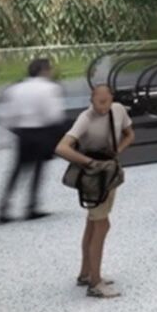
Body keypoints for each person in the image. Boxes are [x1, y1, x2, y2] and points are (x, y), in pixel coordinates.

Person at [54, 85, 134, 299]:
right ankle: (95, 283)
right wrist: (89, 162)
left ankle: (86, 274)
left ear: (111, 99)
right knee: (101, 224)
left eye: (106, 101)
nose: (102, 106)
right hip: (94, 178)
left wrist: (117, 151)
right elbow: (62, 147)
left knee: (93, 222)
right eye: (98, 102)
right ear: (92, 100)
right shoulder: (85, 118)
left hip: (108, 173)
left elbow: (129, 134)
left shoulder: (118, 110)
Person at [0, 57, 65, 224]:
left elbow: (6, 115)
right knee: (38, 170)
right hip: (40, 133)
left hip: (22, 133)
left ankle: (3, 208)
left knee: (17, 170)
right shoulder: (50, 88)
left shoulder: (16, 88)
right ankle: (31, 207)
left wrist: (1, 139)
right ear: (44, 70)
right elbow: (53, 115)